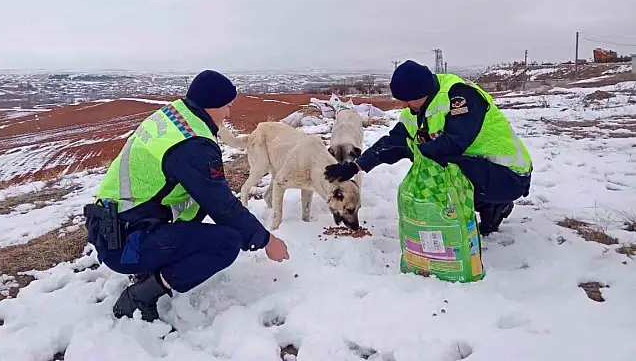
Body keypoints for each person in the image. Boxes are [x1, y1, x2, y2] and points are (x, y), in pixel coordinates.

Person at [84, 69, 289, 323]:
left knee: (196, 204)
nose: (228, 113)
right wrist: (266, 240)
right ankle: (141, 293)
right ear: (211, 105)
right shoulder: (193, 145)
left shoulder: (176, 116)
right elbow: (222, 206)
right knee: (227, 242)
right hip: (125, 243)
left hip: (114, 225)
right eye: (226, 106)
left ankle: (150, 267)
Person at [324, 60, 532, 236]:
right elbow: (393, 143)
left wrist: (414, 152)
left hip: (509, 175)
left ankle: (495, 204)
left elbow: (455, 142)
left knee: (439, 167)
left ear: (421, 91)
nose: (404, 105)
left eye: (407, 99)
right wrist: (355, 166)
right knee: (433, 168)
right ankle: (485, 208)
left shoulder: (459, 96)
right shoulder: (415, 110)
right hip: (478, 168)